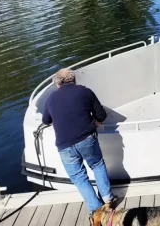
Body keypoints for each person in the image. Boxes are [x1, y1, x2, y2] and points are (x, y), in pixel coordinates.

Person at [42, 69, 116, 217]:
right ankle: (108, 198)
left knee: (79, 177)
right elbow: (101, 115)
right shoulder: (85, 92)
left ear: (58, 84)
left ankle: (96, 210)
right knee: (97, 165)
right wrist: (95, 122)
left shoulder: (51, 98)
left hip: (64, 145)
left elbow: (45, 120)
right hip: (86, 138)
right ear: (74, 80)